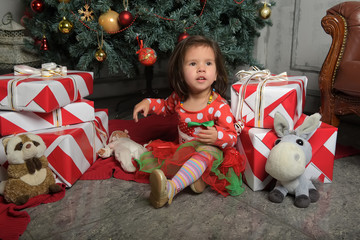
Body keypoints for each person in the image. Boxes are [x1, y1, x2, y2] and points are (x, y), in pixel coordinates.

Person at [133, 35, 245, 208]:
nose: (201, 69)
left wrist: (217, 135)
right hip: (182, 151)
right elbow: (165, 107)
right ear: (181, 72)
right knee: (165, 159)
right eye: (193, 64)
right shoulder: (180, 98)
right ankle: (196, 180)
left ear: (216, 73)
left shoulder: (219, 106)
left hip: (211, 154)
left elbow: (232, 136)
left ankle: (170, 189)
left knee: (204, 154)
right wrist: (149, 103)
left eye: (208, 63)